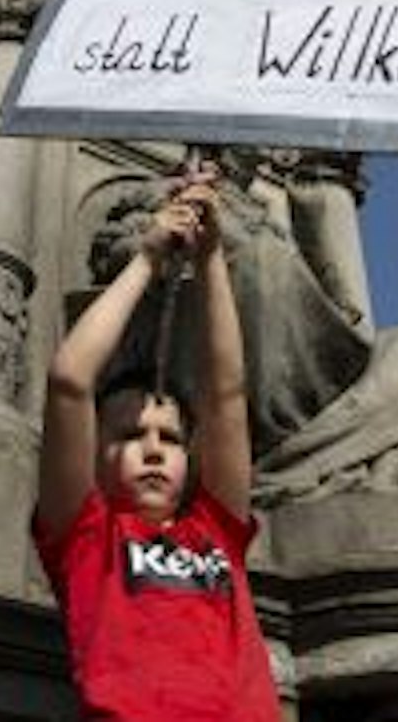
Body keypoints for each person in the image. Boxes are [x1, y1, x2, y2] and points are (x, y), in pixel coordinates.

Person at [33, 165, 279, 721]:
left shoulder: (216, 528)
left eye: (169, 438)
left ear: (189, 461)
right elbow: (71, 380)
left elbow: (227, 395)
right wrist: (146, 259)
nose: (151, 449)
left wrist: (211, 255)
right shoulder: (86, 536)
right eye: (129, 435)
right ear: (95, 457)